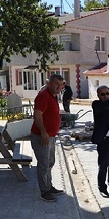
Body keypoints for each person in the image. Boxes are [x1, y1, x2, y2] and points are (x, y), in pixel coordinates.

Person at [30, 74, 64, 202]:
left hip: (50, 136)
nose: (58, 87)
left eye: (61, 85)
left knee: (50, 162)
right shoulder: (44, 96)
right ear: (48, 83)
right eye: (56, 84)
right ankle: (44, 192)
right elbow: (37, 115)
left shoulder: (53, 96)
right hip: (41, 137)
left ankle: (49, 186)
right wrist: (44, 132)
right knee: (44, 164)